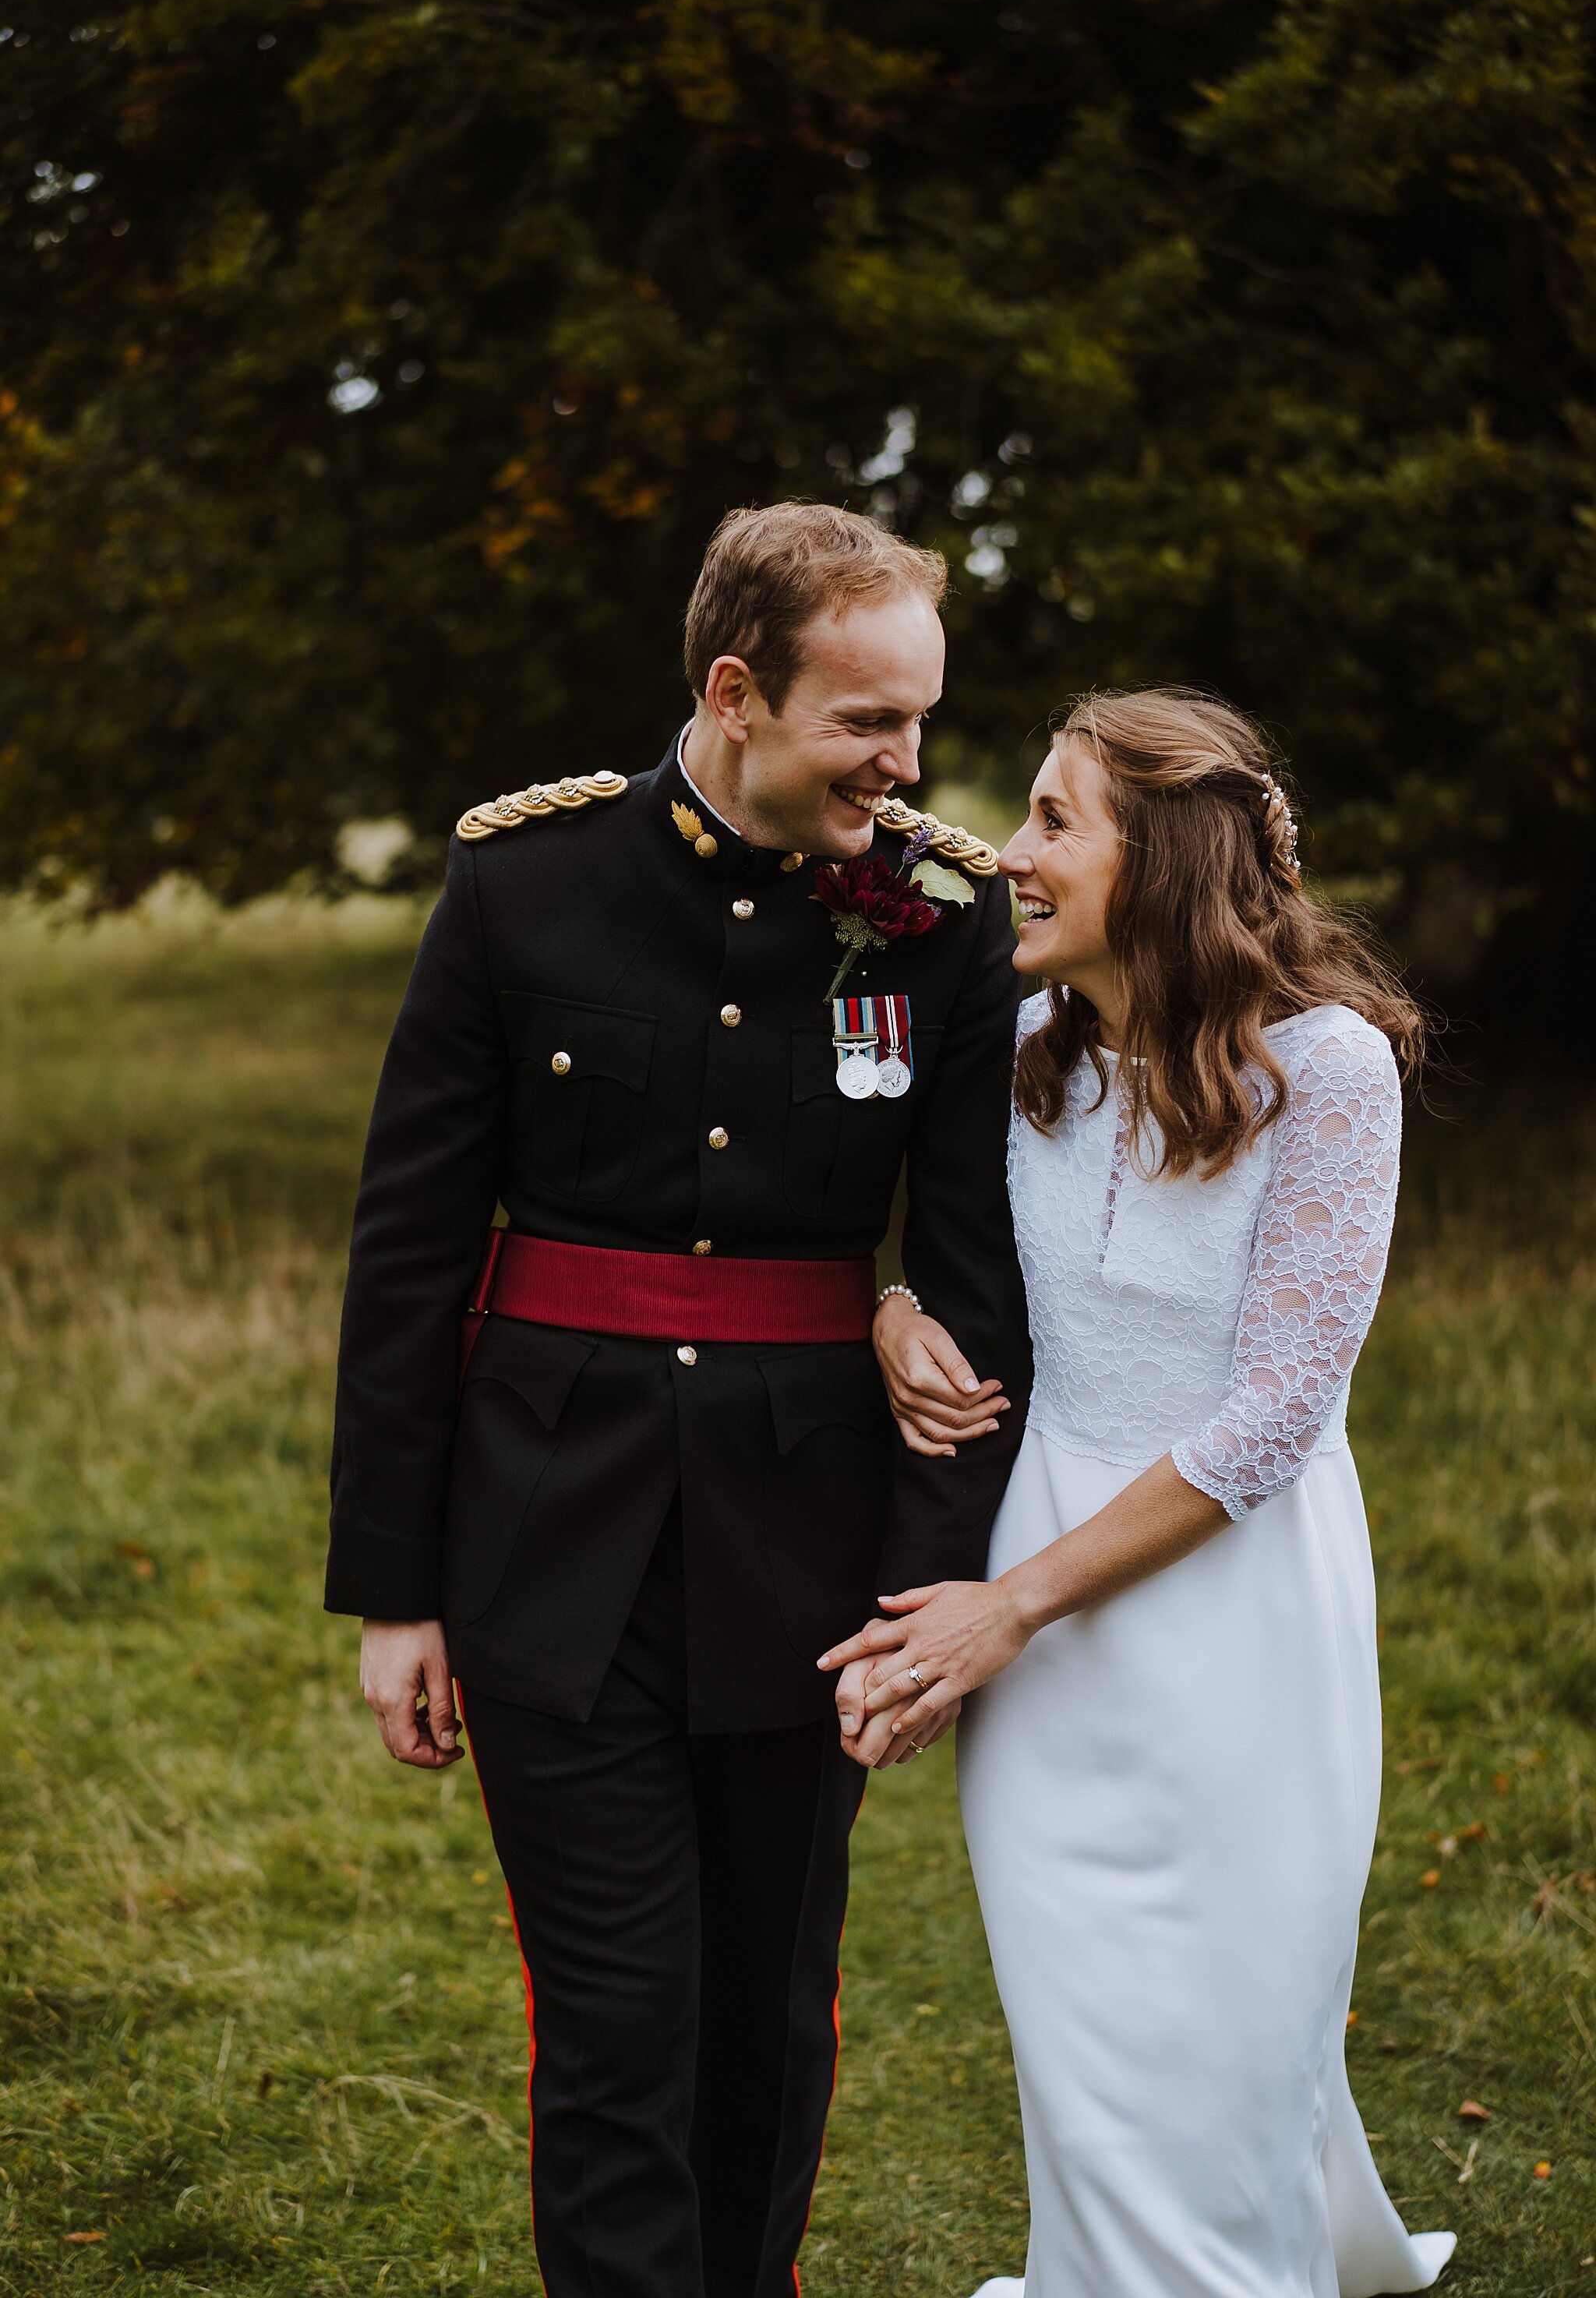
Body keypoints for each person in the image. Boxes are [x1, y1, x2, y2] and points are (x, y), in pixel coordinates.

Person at [323, 500, 1032, 2298]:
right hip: (549, 1538)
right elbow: (410, 1251)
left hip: (808, 1555)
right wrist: (395, 1591)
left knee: (766, 2016)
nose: (908, 764)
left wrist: (925, 1599)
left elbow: (964, 1284)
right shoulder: (523, 882)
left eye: (923, 724)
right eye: (869, 724)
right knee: (621, 2022)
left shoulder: (935, 921)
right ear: (735, 691)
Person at [822, 689, 1456, 2298]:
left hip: (1233, 1607)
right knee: (1084, 2027)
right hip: (1039, 1579)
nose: (1011, 856)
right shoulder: (1027, 1051)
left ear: (1159, 861)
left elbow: (1270, 1420)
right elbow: (944, 1262)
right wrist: (895, 1319)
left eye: (1051, 822)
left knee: (1237, 2022)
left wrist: (1002, 1613)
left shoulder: (1330, 1072)